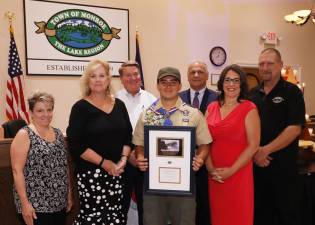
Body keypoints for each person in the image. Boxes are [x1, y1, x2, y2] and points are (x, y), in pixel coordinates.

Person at [133, 66, 212, 225]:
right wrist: (140, 156)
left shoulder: (193, 114)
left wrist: (201, 158)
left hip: (184, 186)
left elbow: (204, 143)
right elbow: (139, 143)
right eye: (164, 82)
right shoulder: (147, 115)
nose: (168, 86)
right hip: (153, 186)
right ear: (157, 85)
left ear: (180, 86)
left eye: (173, 82)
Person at [67, 59, 133, 225]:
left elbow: (128, 136)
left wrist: (123, 160)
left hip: (118, 173)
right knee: (94, 220)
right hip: (91, 176)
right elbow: (76, 145)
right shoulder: (80, 108)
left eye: (102, 75)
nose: (97, 80)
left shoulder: (119, 105)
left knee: (117, 218)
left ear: (108, 79)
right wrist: (104, 163)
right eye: (93, 76)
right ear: (87, 80)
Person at [250, 48, 305, 225]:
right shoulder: (252, 94)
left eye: (270, 63)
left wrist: (264, 150)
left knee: (286, 217)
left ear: (281, 65)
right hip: (256, 171)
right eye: (261, 64)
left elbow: (294, 128)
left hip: (284, 172)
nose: (265, 67)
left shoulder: (292, 92)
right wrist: (254, 153)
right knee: (259, 217)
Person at [206, 64, 260, 225]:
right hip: (215, 176)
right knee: (218, 218)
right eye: (228, 80)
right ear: (222, 83)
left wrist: (231, 170)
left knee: (238, 218)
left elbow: (253, 145)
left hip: (239, 174)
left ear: (242, 84)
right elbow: (203, 141)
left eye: (236, 81)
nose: (231, 84)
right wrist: (210, 169)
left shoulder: (249, 108)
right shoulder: (211, 107)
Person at [10, 91, 73, 225]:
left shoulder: (58, 134)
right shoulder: (24, 134)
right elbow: (17, 171)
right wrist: (25, 205)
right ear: (31, 113)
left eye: (49, 110)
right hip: (35, 206)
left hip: (59, 203)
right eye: (40, 110)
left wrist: (68, 194)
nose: (46, 114)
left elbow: (64, 166)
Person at [116, 60, 156, 225]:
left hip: (144, 161)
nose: (133, 78)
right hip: (120, 161)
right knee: (120, 207)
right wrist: (127, 154)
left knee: (145, 208)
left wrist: (139, 154)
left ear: (140, 76)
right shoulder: (114, 100)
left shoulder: (152, 99)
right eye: (128, 75)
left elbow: (155, 131)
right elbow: (111, 133)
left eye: (136, 74)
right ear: (121, 79)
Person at [179, 60, 218, 225]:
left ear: (207, 76)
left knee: (206, 206)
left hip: (210, 159)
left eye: (200, 71)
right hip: (182, 161)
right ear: (187, 76)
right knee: (184, 207)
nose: (196, 75)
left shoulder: (218, 98)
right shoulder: (177, 97)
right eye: (192, 72)